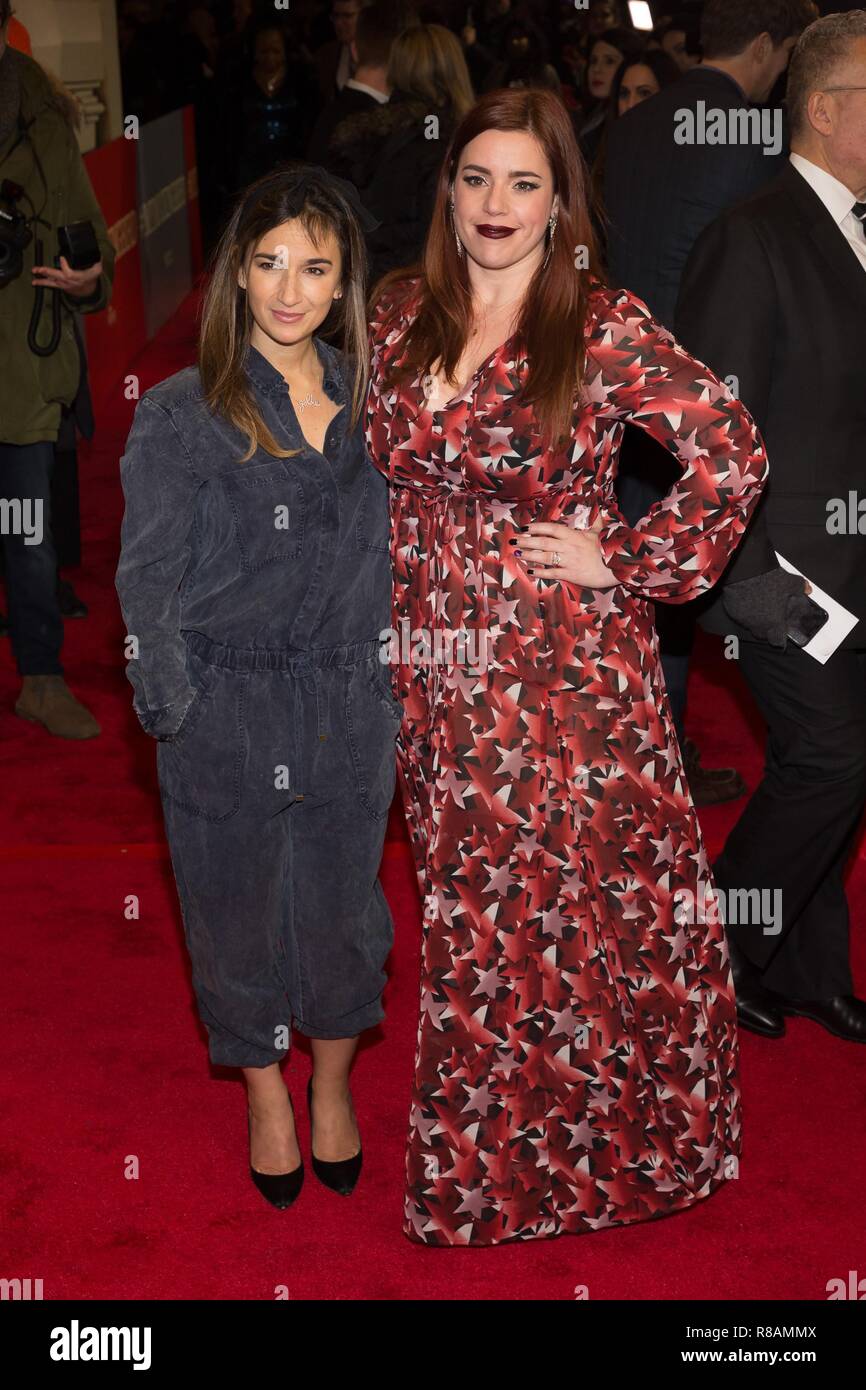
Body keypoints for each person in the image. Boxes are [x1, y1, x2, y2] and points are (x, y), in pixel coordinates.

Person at [365, 87, 769, 1247]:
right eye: (477, 178)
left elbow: (729, 451)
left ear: (558, 204)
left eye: (524, 183)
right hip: (429, 658)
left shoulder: (596, 319)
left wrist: (626, 558)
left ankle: (569, 1165)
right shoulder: (400, 311)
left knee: (566, 905)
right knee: (469, 911)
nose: (496, 204)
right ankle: (519, 1151)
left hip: (556, 660)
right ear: (447, 190)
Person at [115, 166, 400, 1211]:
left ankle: (329, 1083)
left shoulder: (379, 403)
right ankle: (263, 1093)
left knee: (341, 916)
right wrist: (175, 711)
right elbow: (144, 579)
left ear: (341, 285)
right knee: (234, 916)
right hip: (225, 708)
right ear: (236, 272)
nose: (289, 289)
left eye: (314, 268)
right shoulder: (186, 411)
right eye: (269, 262)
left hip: (347, 703)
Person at [675, 9, 866, 1044]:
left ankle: (805, 970)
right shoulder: (748, 236)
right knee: (830, 757)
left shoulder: (860, 227)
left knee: (839, 763)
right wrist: (751, 589)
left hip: (855, 559)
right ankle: (707, 948)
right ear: (831, 111)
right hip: (779, 572)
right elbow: (705, 438)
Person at [603, 0, 817, 802]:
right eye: (787, 55)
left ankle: (632, 752)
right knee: (680, 578)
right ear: (766, 45)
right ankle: (662, 766)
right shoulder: (760, 141)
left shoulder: (630, 123)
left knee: (630, 570)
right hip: (701, 399)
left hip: (617, 384)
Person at [0, 5, 113, 738]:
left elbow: (92, 245)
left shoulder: (42, 113)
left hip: (20, 366)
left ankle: (41, 677)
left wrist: (85, 281)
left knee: (27, 533)